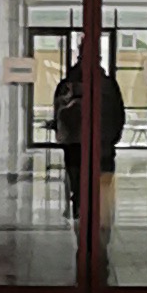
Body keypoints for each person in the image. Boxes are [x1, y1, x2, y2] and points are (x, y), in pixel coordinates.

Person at [51, 54, 126, 222]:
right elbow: (118, 112)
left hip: (73, 139)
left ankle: (80, 202)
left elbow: (58, 110)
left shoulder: (66, 85)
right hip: (101, 138)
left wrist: (60, 130)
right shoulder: (107, 85)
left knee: (76, 172)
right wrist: (114, 135)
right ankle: (94, 207)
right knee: (100, 175)